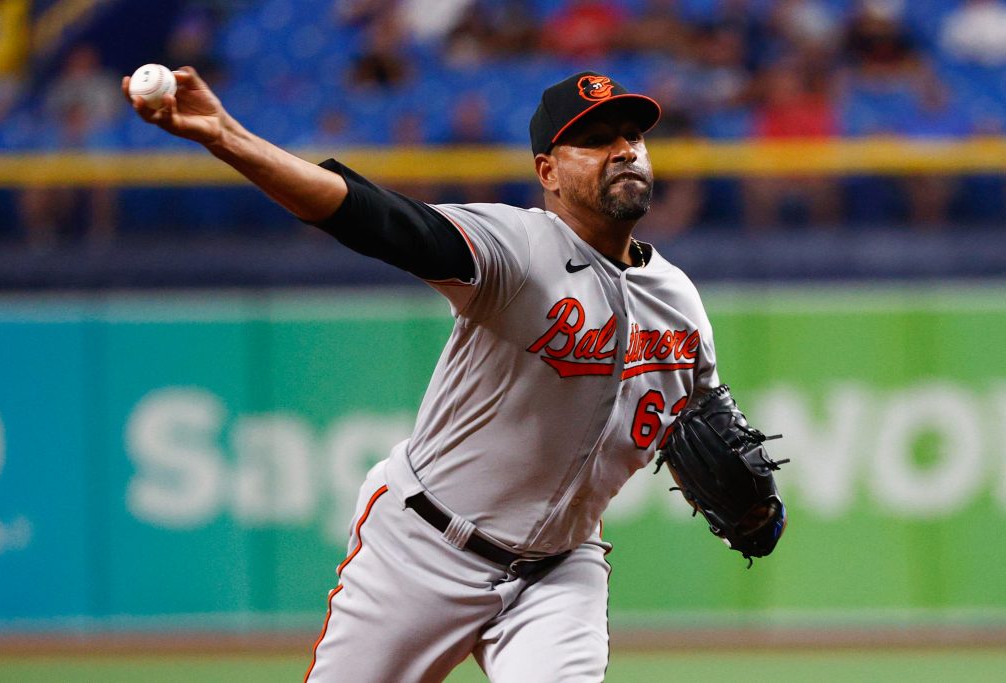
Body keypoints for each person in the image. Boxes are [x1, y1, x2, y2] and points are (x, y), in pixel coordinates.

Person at [123, 66, 721, 682]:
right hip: (423, 549)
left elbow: (708, 423)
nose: (623, 149)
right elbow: (373, 216)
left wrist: (756, 507)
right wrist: (226, 136)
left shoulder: (676, 298)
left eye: (632, 136)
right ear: (548, 173)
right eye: (595, 140)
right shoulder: (516, 248)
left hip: (559, 569)